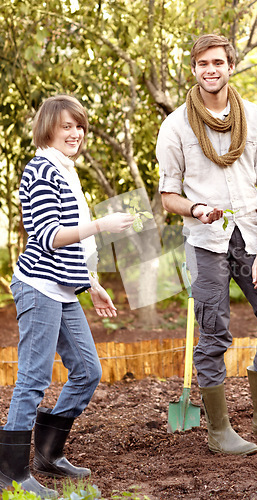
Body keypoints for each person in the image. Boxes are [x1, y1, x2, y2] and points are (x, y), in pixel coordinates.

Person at [156, 34, 257, 456]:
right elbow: (168, 195)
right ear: (194, 69)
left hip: (248, 237)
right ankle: (219, 431)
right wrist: (195, 208)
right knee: (213, 335)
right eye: (203, 63)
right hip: (206, 241)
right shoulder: (175, 126)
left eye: (218, 62)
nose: (211, 69)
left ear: (230, 66)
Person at [0, 95, 134, 498]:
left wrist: (91, 284)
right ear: (48, 128)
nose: (75, 133)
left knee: (88, 371)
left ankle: (46, 450)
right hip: (39, 287)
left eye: (79, 126)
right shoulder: (41, 170)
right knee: (34, 378)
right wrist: (101, 224)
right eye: (66, 126)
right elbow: (48, 236)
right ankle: (11, 472)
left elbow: (69, 245)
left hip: (62, 288)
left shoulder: (65, 170)